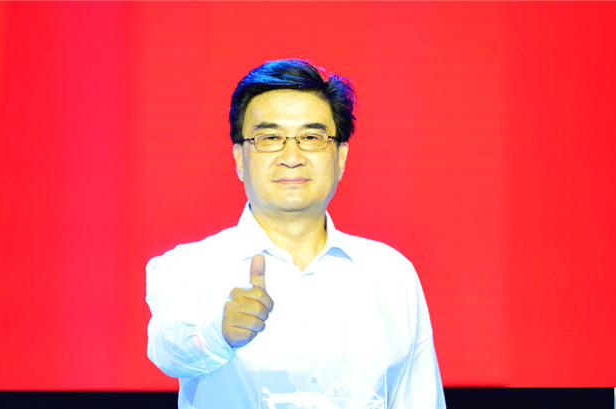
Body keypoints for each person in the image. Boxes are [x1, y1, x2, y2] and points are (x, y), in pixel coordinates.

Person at [146, 59, 446, 409]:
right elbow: (167, 350)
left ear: (340, 158)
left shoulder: (391, 274)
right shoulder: (187, 267)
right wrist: (219, 333)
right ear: (240, 158)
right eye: (270, 138)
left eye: (311, 138)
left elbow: (420, 399)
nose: (291, 157)